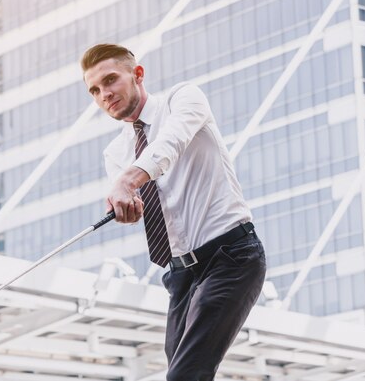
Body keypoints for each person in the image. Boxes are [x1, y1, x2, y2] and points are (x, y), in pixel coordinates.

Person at [81, 43, 267, 380]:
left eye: (110, 80)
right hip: (180, 275)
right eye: (94, 90)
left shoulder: (183, 99)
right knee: (181, 371)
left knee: (186, 374)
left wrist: (128, 179)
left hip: (231, 255)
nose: (104, 94)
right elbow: (134, 203)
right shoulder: (116, 152)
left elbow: (168, 145)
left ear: (137, 74)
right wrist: (128, 205)